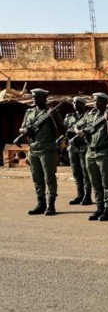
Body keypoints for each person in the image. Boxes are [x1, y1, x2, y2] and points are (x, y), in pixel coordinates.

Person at [19, 88, 65, 216]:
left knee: (49, 178)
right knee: (37, 178)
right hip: (33, 149)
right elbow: (21, 128)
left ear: (44, 98)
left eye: (37, 97)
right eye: (33, 97)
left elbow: (62, 130)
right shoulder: (29, 112)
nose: (34, 99)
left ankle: (51, 204)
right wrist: (25, 131)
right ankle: (41, 203)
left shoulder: (52, 112)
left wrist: (54, 117)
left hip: (47, 150)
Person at [78, 92, 108, 221]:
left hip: (104, 153)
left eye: (100, 101)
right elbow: (77, 126)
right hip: (90, 152)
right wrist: (80, 131)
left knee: (106, 182)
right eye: (95, 101)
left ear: (106, 103)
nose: (97, 103)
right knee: (94, 182)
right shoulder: (90, 116)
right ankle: (99, 207)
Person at [64, 96, 92, 206]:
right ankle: (80, 194)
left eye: (78, 103)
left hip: (84, 147)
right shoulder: (69, 117)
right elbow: (64, 128)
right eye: (74, 103)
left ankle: (87, 196)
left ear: (83, 105)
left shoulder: (88, 117)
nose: (75, 105)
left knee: (86, 172)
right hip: (72, 147)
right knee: (76, 172)